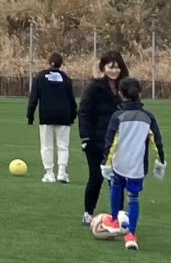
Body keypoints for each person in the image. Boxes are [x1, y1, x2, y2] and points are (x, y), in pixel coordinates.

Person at [102, 79, 165, 251]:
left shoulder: (117, 116)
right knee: (134, 198)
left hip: (119, 164)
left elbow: (111, 142)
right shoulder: (148, 117)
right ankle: (131, 234)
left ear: (120, 94)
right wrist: (160, 162)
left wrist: (105, 163)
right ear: (140, 93)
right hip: (138, 166)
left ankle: (114, 220)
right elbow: (157, 141)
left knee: (116, 188)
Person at [79, 51, 128, 223]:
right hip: (96, 141)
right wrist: (85, 138)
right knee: (96, 177)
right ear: (103, 68)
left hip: (118, 141)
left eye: (117, 67)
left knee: (117, 179)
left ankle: (118, 215)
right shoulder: (94, 87)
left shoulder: (125, 88)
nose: (114, 71)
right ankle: (88, 213)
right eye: (110, 67)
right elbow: (84, 112)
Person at [27, 53, 78, 185]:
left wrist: (30, 116)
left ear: (48, 62)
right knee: (63, 145)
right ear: (61, 64)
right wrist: (73, 115)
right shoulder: (65, 78)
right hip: (64, 116)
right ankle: (62, 172)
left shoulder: (40, 77)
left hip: (46, 116)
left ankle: (49, 173)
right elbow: (71, 100)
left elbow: (33, 98)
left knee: (46, 146)